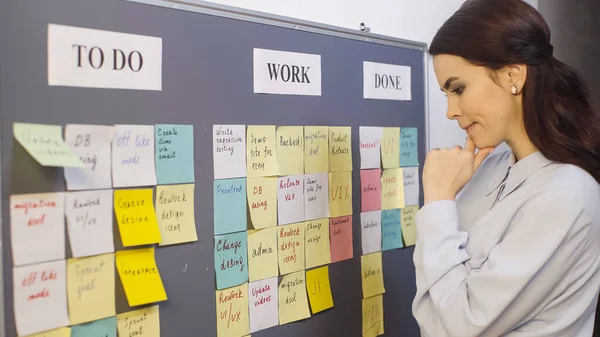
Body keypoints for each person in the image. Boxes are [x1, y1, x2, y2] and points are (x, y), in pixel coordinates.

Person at [412, 0, 600, 336]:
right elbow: (431, 314)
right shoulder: (490, 167)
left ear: (513, 75)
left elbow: (460, 326)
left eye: (458, 89)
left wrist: (439, 202)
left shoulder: (564, 194)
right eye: (445, 94)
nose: (450, 112)